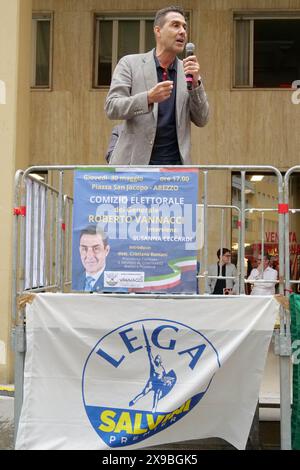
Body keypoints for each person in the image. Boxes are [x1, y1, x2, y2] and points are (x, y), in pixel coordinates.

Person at [104, 5, 209, 166]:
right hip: (136, 167)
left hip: (176, 170)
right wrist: (148, 98)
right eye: (175, 25)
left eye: (184, 27)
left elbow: (202, 119)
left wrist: (196, 85)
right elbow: (112, 107)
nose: (182, 31)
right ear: (158, 31)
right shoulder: (130, 64)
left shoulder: (187, 72)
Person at [73, 225, 110, 292]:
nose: (89, 256)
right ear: (79, 250)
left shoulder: (116, 283)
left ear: (106, 250)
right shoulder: (73, 280)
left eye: (96, 249)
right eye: (84, 249)